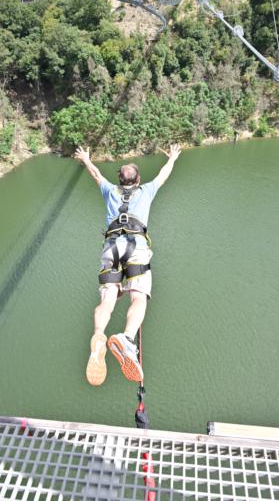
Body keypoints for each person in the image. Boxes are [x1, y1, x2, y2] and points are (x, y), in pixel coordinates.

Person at [75, 144, 182, 386]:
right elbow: (163, 175)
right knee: (138, 298)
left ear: (120, 180)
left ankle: (99, 335)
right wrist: (173, 158)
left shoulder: (110, 191)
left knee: (107, 299)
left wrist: (86, 159)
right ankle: (127, 338)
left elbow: (96, 174)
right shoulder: (147, 190)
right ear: (138, 180)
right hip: (136, 247)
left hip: (112, 247)